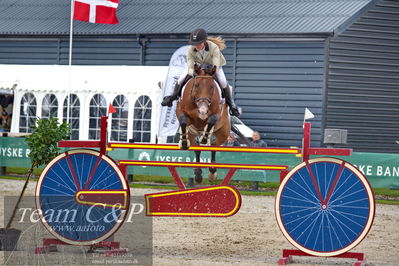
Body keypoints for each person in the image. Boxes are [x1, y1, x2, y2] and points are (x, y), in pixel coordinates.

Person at [161, 28, 240, 117]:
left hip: (213, 67)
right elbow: (190, 64)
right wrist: (193, 72)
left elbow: (216, 64)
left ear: (204, 41)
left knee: (223, 81)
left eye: (198, 43)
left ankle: (232, 105)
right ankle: (172, 98)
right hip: (197, 66)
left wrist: (212, 70)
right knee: (181, 79)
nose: (196, 46)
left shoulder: (213, 47)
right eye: (194, 44)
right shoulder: (191, 49)